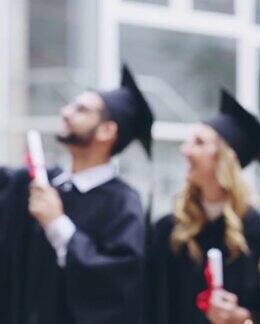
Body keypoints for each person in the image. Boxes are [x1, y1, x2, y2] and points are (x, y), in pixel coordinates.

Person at [0, 64, 154, 324]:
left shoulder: (123, 204)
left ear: (107, 131)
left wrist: (56, 224)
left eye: (81, 110)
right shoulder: (36, 184)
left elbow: (117, 286)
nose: (65, 112)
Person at [146, 89, 260, 324]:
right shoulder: (169, 230)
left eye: (198, 142)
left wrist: (244, 318)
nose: (184, 150)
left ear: (225, 158)